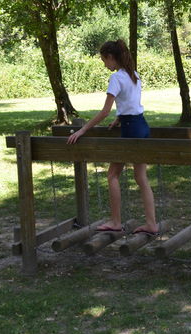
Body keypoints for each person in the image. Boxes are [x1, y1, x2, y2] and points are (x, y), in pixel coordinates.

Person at [67, 40, 158, 235]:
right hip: (141, 126)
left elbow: (104, 111)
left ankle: (116, 222)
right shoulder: (134, 75)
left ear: (111, 57)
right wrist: (119, 117)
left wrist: (82, 130)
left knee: (112, 175)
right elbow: (131, 103)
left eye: (104, 60)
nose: (104, 64)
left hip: (130, 130)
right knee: (141, 177)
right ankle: (152, 224)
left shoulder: (116, 78)